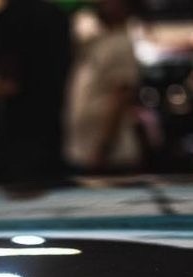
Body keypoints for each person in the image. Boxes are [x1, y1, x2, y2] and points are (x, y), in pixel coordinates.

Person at [0, 0, 72, 183]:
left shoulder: (8, 18)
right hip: (55, 124)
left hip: (20, 129)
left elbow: (10, 84)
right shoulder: (56, 14)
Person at [65, 0, 143, 173]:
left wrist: (103, 148)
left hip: (111, 156)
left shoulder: (122, 44)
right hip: (84, 149)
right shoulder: (94, 35)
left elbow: (121, 99)